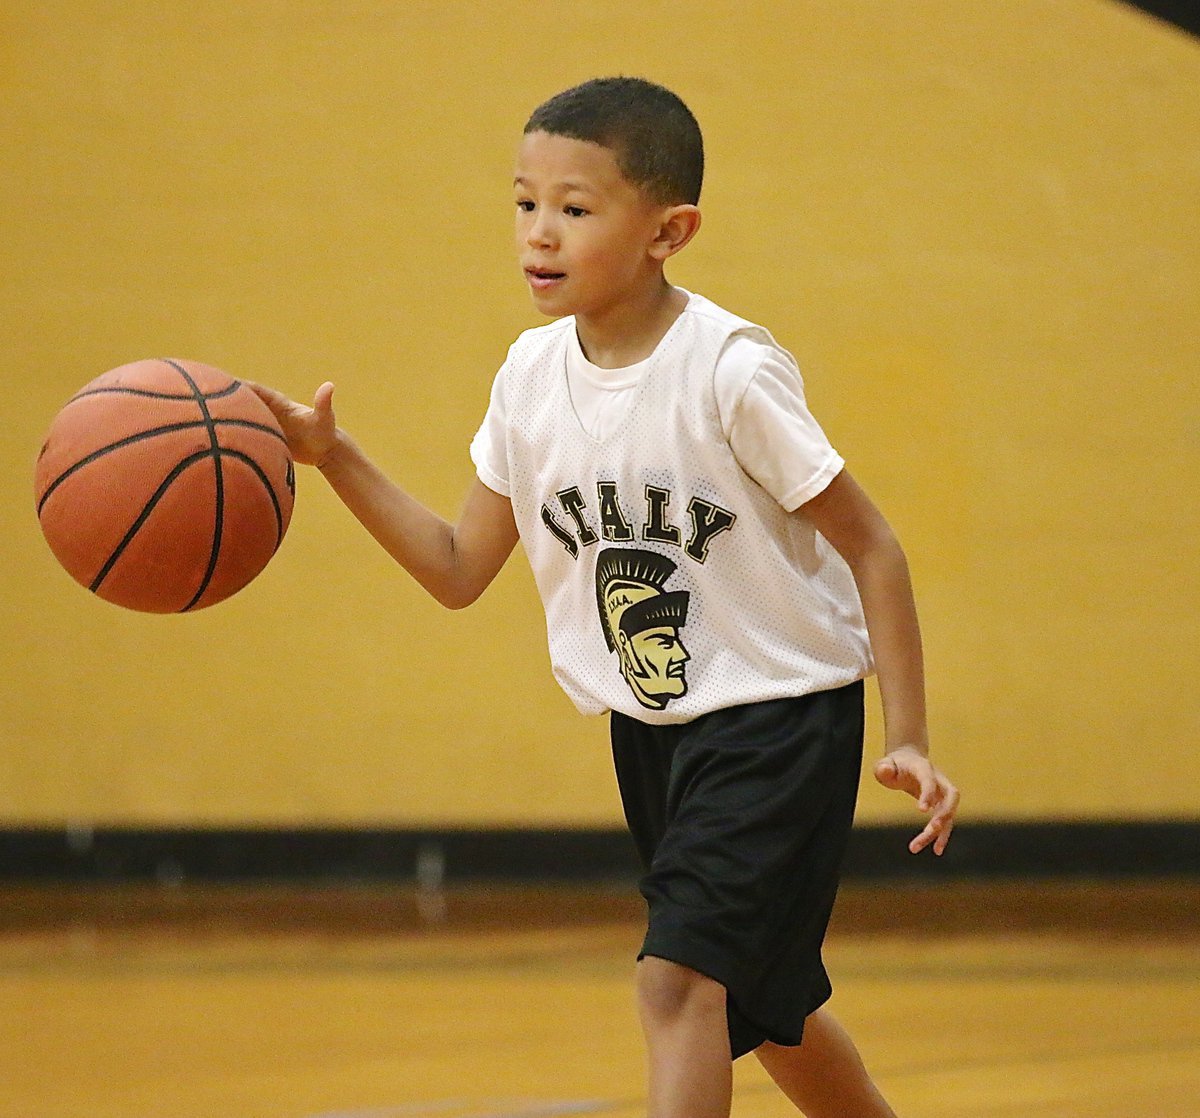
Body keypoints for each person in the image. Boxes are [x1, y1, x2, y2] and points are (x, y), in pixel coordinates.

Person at [251, 76, 960, 1118]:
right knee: (771, 1011)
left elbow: (874, 544)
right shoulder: (530, 378)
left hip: (778, 720)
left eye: (575, 209)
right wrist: (336, 458)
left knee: (676, 983)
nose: (540, 233)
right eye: (525, 202)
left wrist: (911, 734)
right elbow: (455, 567)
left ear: (668, 230)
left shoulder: (726, 370)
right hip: (654, 730)